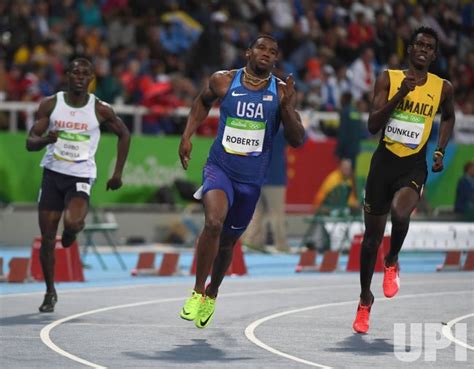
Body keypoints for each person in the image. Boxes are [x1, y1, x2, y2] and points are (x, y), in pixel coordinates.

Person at [178, 35, 305, 329]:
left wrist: (286, 107)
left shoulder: (282, 92)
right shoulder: (224, 80)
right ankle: (197, 292)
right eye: (261, 47)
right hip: (219, 167)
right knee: (213, 223)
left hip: (251, 181)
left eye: (273, 51)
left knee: (227, 244)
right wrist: (187, 135)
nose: (266, 53)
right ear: (248, 52)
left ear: (275, 60)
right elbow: (201, 102)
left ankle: (212, 293)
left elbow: (297, 139)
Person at [352, 26, 455, 334]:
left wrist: (440, 149)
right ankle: (364, 300)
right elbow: (373, 125)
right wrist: (401, 94)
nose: (423, 49)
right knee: (370, 241)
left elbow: (448, 116)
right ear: (410, 49)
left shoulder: (442, 88)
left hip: (413, 166)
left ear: (434, 54)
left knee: (400, 212)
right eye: (418, 44)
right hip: (382, 165)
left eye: (429, 46)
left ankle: (393, 259)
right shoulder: (389, 78)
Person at [26, 58, 131, 313]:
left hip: (81, 175)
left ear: (91, 78)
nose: (80, 77)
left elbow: (124, 134)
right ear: (68, 75)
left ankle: (72, 233)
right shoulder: (51, 105)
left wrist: (117, 173)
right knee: (48, 239)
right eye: (75, 72)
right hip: (52, 174)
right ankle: (50, 291)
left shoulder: (100, 109)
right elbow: (30, 142)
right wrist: (45, 140)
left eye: (85, 73)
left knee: (72, 224)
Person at [242, 127, 290, 253]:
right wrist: (303, 126)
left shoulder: (255, 127)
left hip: (255, 176)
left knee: (256, 213)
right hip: (274, 177)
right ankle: (281, 246)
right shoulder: (280, 130)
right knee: (276, 214)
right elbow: (300, 140)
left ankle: (252, 243)